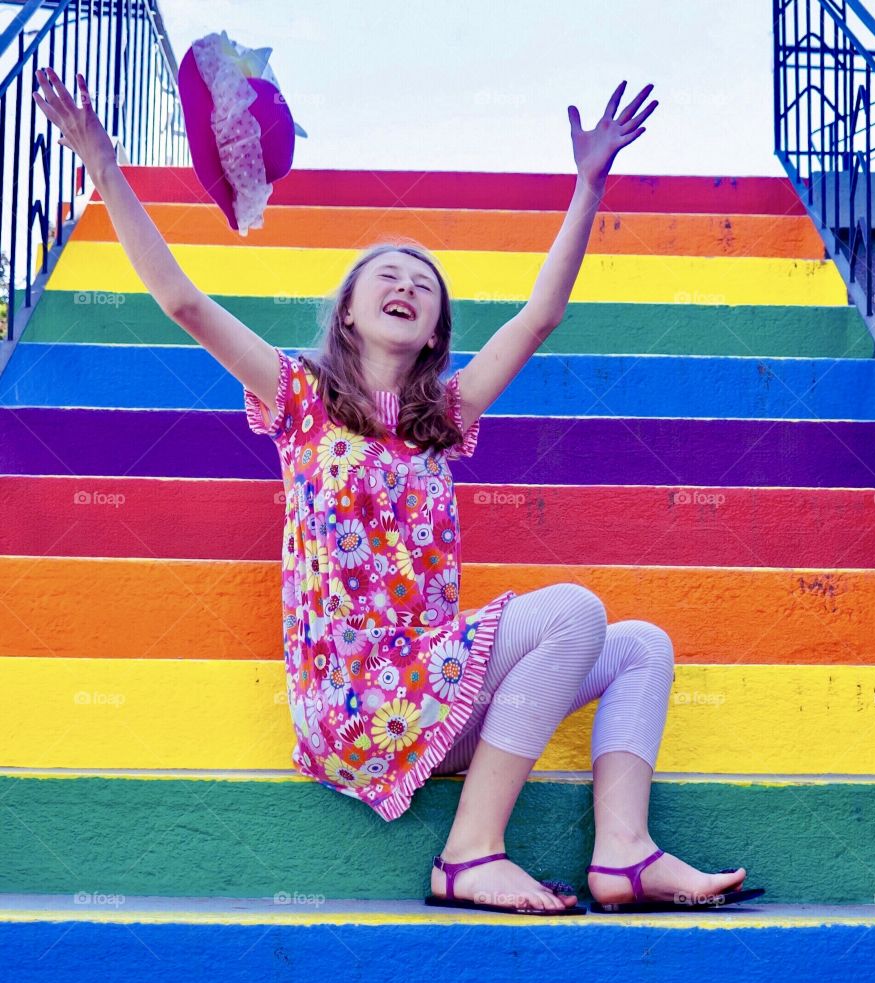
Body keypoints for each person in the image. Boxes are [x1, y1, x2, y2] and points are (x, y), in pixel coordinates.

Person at [33, 68, 753, 915]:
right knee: (573, 611)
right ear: (346, 311)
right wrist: (105, 168)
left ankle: (623, 856)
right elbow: (183, 301)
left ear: (438, 329)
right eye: (388, 274)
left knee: (642, 646)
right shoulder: (298, 399)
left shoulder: (442, 416)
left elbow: (539, 317)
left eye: (424, 281)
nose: (408, 284)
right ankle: (470, 854)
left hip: (433, 696)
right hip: (354, 699)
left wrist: (587, 187)